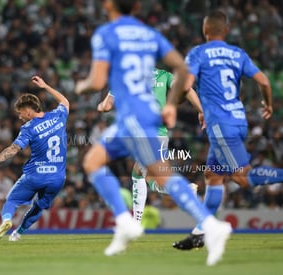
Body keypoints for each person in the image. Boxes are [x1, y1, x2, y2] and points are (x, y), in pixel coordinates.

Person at [75, 0, 231, 266]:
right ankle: (136, 222)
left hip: (137, 120)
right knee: (137, 171)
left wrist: (82, 87)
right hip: (144, 119)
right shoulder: (150, 35)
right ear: (135, 7)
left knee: (122, 168)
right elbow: (183, 70)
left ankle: (137, 222)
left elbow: (98, 83)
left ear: (109, 5)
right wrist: (179, 106)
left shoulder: (106, 34)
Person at [170, 10, 283, 250]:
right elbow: (263, 80)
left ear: (205, 31)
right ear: (227, 30)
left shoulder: (198, 53)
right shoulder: (237, 53)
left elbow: (186, 85)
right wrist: (268, 104)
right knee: (213, 176)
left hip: (221, 126)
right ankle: (202, 231)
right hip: (238, 120)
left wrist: (176, 100)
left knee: (242, 178)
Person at [97, 68, 203, 224]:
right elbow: (185, 88)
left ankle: (184, 190)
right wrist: (201, 110)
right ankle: (137, 221)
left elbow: (106, 107)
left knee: (150, 177)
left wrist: (101, 104)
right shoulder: (163, 75)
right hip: (160, 133)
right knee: (139, 173)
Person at [0, 76, 69, 241]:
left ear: (28, 111)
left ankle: (6, 221)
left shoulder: (28, 128)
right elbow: (64, 101)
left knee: (12, 200)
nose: (20, 118)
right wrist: (45, 86)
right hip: (57, 177)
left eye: (21, 114)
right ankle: (18, 233)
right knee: (39, 206)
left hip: (35, 175)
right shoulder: (58, 116)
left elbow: (13, 149)